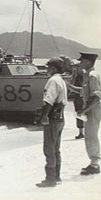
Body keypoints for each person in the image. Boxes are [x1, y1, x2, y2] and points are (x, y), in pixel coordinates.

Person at [36, 57, 67, 188]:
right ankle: (57, 177)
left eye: (48, 67)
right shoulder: (61, 80)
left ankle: (50, 179)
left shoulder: (53, 80)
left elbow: (49, 101)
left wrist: (43, 117)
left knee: (49, 149)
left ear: (53, 68)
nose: (47, 69)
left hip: (52, 118)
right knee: (56, 149)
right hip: (60, 118)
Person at [77, 52, 101, 175]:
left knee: (92, 136)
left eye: (82, 61)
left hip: (93, 109)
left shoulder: (92, 76)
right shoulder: (88, 75)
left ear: (88, 61)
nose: (80, 63)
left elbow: (96, 97)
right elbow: (84, 91)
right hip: (90, 109)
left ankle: (95, 164)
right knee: (89, 135)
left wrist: (84, 111)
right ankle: (93, 162)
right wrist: (68, 86)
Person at [71, 63, 85, 139]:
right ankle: (81, 132)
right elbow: (72, 83)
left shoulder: (84, 76)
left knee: (82, 113)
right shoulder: (77, 76)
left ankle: (82, 132)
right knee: (79, 114)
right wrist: (74, 75)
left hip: (81, 97)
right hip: (77, 97)